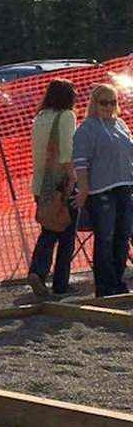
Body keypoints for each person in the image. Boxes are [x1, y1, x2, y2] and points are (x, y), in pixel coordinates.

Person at [73, 83, 133, 298]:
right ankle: (104, 286)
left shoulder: (121, 124)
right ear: (94, 104)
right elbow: (80, 162)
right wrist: (84, 189)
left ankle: (118, 282)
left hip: (124, 187)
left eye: (113, 102)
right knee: (105, 238)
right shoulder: (86, 129)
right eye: (104, 102)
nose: (109, 106)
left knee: (122, 236)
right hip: (101, 191)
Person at [27, 79, 78, 298]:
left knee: (49, 229)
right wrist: (73, 177)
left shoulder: (40, 117)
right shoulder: (66, 116)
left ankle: (38, 271)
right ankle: (60, 283)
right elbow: (66, 152)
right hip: (61, 183)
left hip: (40, 183)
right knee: (66, 233)